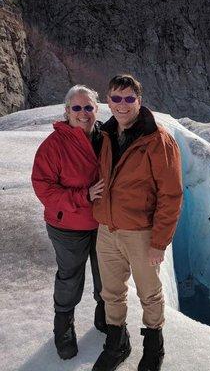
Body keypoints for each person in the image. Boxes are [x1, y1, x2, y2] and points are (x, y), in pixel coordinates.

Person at [92, 74, 183, 371]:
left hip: (140, 233)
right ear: (108, 101)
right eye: (116, 98)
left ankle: (154, 346)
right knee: (111, 291)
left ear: (139, 101)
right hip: (107, 229)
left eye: (129, 98)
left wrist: (159, 242)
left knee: (149, 293)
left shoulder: (158, 140)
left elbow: (170, 195)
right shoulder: (105, 135)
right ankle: (117, 342)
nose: (122, 105)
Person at [31, 85, 107, 360]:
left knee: (106, 276)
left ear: (96, 110)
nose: (83, 113)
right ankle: (63, 327)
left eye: (88, 107)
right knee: (70, 278)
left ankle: (105, 317)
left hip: (103, 223)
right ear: (66, 112)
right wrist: (83, 196)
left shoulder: (106, 138)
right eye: (76, 108)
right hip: (68, 227)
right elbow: (44, 188)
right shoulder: (54, 146)